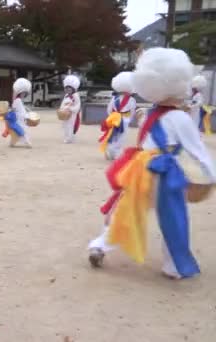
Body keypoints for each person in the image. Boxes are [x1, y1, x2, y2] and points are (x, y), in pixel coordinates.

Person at [87, 48, 216, 280]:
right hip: (166, 173)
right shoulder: (180, 119)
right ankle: (173, 266)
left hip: (140, 170)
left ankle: (100, 245)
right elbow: (197, 150)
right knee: (173, 218)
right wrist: (210, 173)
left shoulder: (148, 115)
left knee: (125, 211)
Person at [100, 72, 137, 160]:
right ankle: (115, 152)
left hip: (114, 118)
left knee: (112, 134)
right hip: (124, 119)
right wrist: (129, 119)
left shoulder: (114, 98)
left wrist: (112, 116)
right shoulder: (131, 99)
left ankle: (111, 151)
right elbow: (132, 111)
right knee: (121, 137)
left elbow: (109, 109)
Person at [5, 78, 32, 148]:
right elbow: (20, 111)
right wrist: (27, 116)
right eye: (24, 93)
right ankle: (27, 143)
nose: (24, 94)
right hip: (19, 119)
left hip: (17, 118)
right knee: (22, 131)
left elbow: (15, 108)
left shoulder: (17, 100)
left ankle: (12, 143)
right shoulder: (18, 100)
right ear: (22, 93)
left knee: (16, 131)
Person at [59, 75, 82, 144]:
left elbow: (78, 105)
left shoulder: (75, 96)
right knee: (65, 126)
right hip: (65, 114)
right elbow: (63, 104)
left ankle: (70, 138)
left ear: (73, 89)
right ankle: (67, 137)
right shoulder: (66, 96)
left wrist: (71, 109)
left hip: (72, 115)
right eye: (66, 88)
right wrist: (61, 109)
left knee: (71, 126)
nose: (67, 90)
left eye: (69, 88)